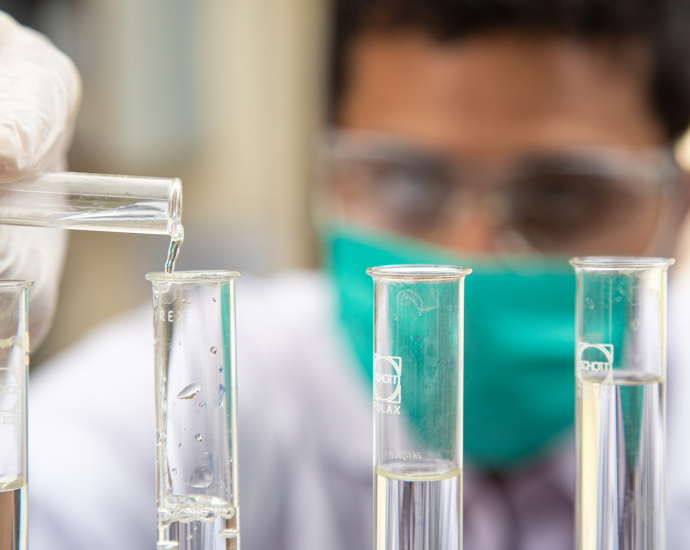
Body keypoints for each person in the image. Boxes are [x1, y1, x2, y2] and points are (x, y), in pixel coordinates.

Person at [8, 1, 690, 549]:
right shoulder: (207, 382)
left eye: (561, 197)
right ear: (325, 180)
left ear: (677, 204)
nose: (472, 250)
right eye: (409, 183)